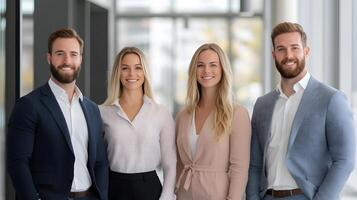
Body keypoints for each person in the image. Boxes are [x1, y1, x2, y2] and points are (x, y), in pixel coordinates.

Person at [246, 22, 355, 200]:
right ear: (273, 55)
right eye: (281, 49)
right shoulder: (262, 105)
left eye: (294, 48)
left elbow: (345, 160)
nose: (288, 55)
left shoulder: (331, 99)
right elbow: (255, 164)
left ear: (306, 51)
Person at [6, 28, 108, 200]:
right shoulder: (28, 106)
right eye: (60, 53)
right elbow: (18, 163)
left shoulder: (92, 109)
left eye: (73, 54)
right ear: (49, 58)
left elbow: (100, 162)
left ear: (80, 59)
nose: (67, 60)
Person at [175, 43, 251, 200]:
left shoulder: (237, 114)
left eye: (213, 65)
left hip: (217, 195)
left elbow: (239, 167)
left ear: (223, 69)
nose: (206, 71)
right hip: (185, 194)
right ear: (193, 71)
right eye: (200, 65)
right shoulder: (183, 115)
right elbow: (178, 163)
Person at [99, 47, 176, 200]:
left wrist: (166, 197)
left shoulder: (161, 113)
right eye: (125, 68)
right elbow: (97, 161)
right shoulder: (102, 112)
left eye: (138, 68)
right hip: (114, 188)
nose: (132, 74)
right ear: (117, 73)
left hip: (150, 189)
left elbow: (170, 163)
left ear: (145, 72)